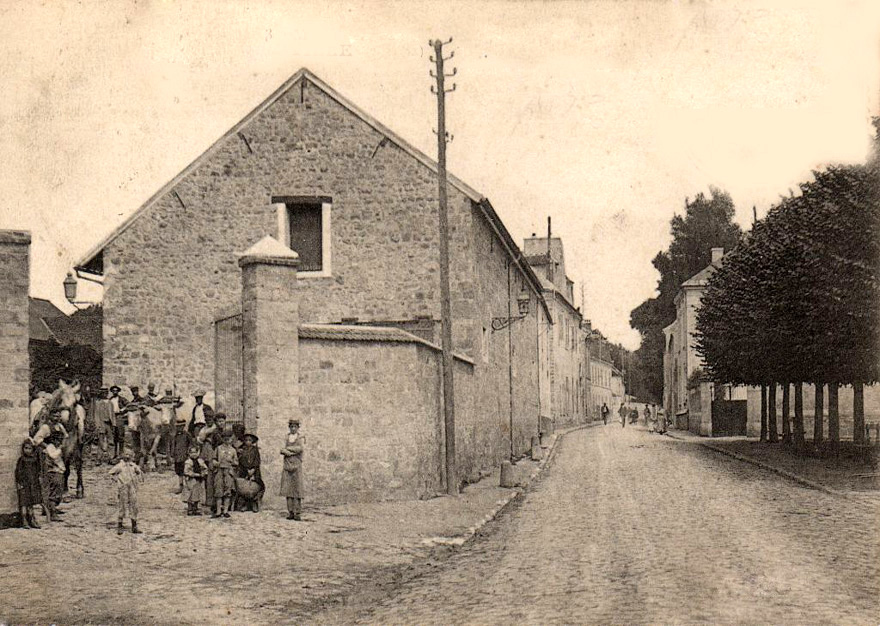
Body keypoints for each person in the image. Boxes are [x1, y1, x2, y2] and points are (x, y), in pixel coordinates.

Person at [109, 448, 143, 535]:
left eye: (129, 455)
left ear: (132, 456)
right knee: (122, 505)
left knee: (134, 505)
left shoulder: (133, 465)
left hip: (132, 487)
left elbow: (140, 473)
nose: (127, 456)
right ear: (122, 455)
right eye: (126, 454)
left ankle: (134, 526)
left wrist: (138, 474)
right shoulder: (120, 466)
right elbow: (111, 473)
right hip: (123, 487)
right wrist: (116, 479)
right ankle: (120, 525)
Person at [280, 419, 304, 521]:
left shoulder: (300, 437)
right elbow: (282, 450)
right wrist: (287, 451)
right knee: (288, 489)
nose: (293, 428)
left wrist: (288, 450)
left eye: (295, 427)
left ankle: (297, 512)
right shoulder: (286, 437)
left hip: (297, 466)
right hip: (287, 466)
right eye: (291, 427)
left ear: (298, 427)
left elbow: (300, 449)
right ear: (289, 427)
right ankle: (290, 512)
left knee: (297, 489)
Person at [15, 438, 42, 529]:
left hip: (32, 484)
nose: (27, 450)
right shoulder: (22, 460)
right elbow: (18, 472)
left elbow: (37, 471)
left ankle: (32, 519)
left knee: (30, 503)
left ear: (32, 449)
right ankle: (24, 520)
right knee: (23, 503)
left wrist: (37, 481)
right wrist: (19, 482)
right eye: (25, 448)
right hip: (24, 484)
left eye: (29, 448)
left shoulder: (34, 460)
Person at [212, 430, 238, 518]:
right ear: (222, 439)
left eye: (228, 439)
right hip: (219, 471)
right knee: (218, 490)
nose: (227, 441)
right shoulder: (218, 448)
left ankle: (226, 511)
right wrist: (216, 463)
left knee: (228, 491)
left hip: (228, 472)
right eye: (225, 439)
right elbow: (213, 459)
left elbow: (236, 462)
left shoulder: (233, 450)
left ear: (231, 439)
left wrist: (232, 461)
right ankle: (218, 511)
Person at [237, 432, 263, 512]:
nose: (248, 442)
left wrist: (253, 469)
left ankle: (254, 503)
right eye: (246, 440)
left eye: (250, 440)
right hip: (244, 470)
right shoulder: (241, 449)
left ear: (252, 441)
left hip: (254, 470)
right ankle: (245, 504)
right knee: (244, 487)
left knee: (258, 485)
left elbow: (257, 460)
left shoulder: (255, 450)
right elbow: (241, 460)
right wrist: (247, 469)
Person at [44, 431, 66, 522]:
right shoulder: (50, 447)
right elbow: (53, 456)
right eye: (58, 440)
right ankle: (52, 512)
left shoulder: (55, 447)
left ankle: (52, 509)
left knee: (57, 492)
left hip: (58, 471)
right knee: (54, 492)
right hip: (53, 472)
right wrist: (60, 449)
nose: (60, 442)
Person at [155, 388, 183, 461]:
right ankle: (166, 454)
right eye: (167, 392)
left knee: (174, 436)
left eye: (169, 392)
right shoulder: (163, 402)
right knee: (165, 437)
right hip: (165, 422)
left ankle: (173, 454)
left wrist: (178, 401)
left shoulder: (172, 402)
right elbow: (157, 406)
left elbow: (179, 404)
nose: (168, 394)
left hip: (172, 421)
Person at [183, 445, 208, 516]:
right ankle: (190, 509)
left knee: (197, 493)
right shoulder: (188, 462)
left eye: (195, 452)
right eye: (192, 452)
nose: (194, 454)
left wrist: (204, 473)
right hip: (191, 480)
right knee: (190, 493)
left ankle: (195, 508)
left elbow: (205, 468)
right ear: (189, 453)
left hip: (199, 480)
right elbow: (186, 471)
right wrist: (194, 474)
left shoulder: (200, 461)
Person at [171, 416, 192, 494]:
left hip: (185, 456)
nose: (179, 428)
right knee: (179, 472)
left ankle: (188, 487)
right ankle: (181, 486)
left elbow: (191, 444)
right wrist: (172, 454)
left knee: (186, 471)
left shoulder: (187, 435)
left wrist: (189, 452)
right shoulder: (175, 435)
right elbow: (173, 445)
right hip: (177, 457)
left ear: (183, 426)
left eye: (180, 426)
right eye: (177, 426)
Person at [109, 385, 128, 457]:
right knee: (114, 435)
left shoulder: (121, 399)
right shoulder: (110, 400)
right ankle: (114, 453)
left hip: (119, 416)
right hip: (112, 417)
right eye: (113, 391)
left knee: (121, 434)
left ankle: (121, 452)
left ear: (118, 391)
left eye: (116, 391)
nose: (115, 392)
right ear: (112, 392)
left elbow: (128, 405)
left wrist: (123, 410)